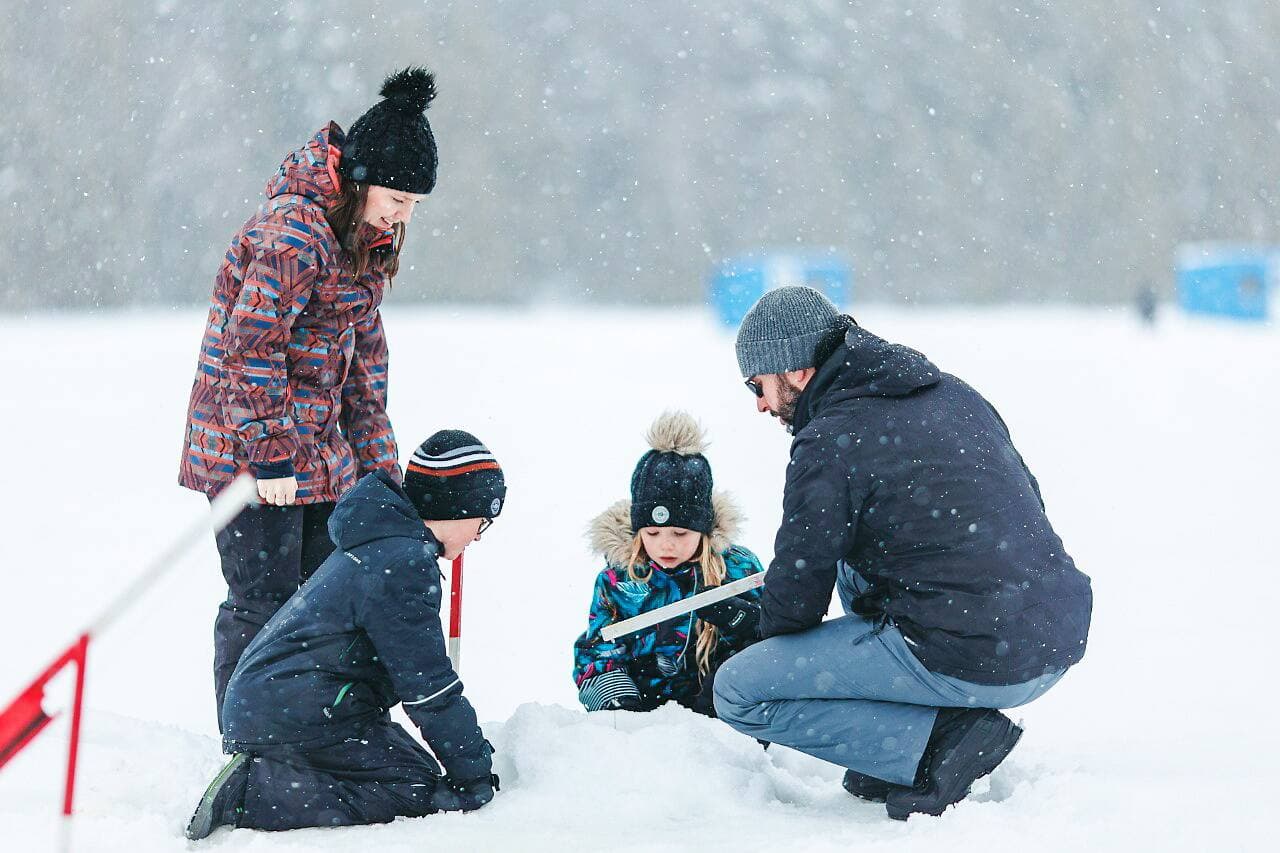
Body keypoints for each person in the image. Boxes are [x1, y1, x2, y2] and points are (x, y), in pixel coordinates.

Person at [712, 286, 1093, 820]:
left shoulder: (830, 439)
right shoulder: (953, 394)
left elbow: (799, 589)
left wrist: (758, 655)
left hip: (977, 655)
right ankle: (904, 739)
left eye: (757, 385)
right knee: (857, 559)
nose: (758, 404)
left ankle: (937, 745)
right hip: (1053, 636)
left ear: (795, 371)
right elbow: (1022, 502)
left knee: (738, 692)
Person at [177, 67, 440, 729]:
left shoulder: (364, 241)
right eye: (397, 198)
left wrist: (382, 471)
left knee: (327, 598)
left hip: (318, 453)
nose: (403, 215)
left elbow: (363, 367)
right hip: (246, 450)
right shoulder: (292, 235)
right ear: (360, 180)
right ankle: (248, 737)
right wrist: (268, 454)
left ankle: (309, 731)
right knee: (260, 601)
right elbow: (250, 347)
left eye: (413, 204)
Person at [184, 430, 506, 839]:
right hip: (294, 712)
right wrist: (474, 772)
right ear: (459, 509)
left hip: (287, 704)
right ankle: (256, 793)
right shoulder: (404, 563)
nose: (479, 535)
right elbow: (427, 685)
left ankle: (278, 767)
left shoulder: (385, 544)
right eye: (483, 521)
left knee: (419, 769)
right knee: (414, 790)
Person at [573, 411, 764, 717]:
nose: (666, 544)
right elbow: (596, 649)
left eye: (680, 532)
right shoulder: (618, 580)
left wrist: (745, 622)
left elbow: (774, 645)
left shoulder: (738, 570)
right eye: (652, 532)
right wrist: (618, 703)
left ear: (704, 529)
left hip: (719, 718)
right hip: (640, 719)